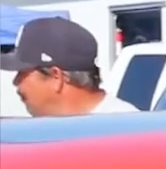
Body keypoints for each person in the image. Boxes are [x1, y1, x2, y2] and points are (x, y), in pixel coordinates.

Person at [1, 16, 138, 116]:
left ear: (56, 77)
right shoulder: (55, 129)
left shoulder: (125, 132)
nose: (15, 81)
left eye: (21, 72)